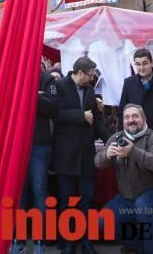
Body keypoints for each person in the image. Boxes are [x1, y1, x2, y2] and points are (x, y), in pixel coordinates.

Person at [95, 104, 153, 254]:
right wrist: (106, 155)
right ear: (123, 120)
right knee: (102, 222)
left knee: (143, 205)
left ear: (144, 119)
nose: (130, 120)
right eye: (127, 117)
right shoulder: (116, 138)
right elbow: (98, 162)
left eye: (135, 116)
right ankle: (142, 244)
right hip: (128, 198)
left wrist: (132, 152)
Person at [52, 56, 110, 254]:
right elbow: (56, 113)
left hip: (86, 155)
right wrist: (81, 116)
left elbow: (97, 122)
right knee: (67, 201)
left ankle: (86, 242)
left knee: (87, 200)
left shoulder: (90, 91)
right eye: (91, 75)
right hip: (66, 155)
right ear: (80, 72)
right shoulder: (59, 86)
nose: (93, 79)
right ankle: (68, 243)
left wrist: (110, 140)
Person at [10, 68, 58, 254]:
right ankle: (18, 239)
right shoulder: (15, 72)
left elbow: (53, 108)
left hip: (40, 144)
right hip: (17, 143)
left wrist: (31, 94)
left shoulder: (47, 79)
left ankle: (39, 241)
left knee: (39, 192)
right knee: (20, 193)